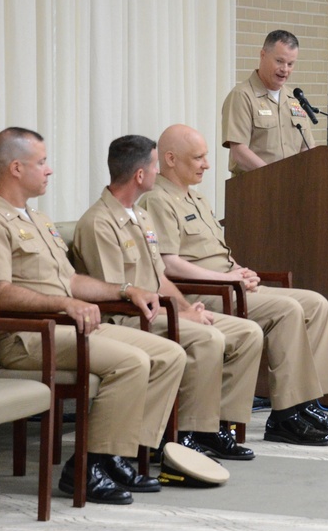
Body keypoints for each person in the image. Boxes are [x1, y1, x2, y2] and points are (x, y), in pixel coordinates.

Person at [0, 127, 187, 505]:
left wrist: (125, 290)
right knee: (132, 363)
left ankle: (119, 455)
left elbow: (71, 280)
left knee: (169, 354)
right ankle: (87, 465)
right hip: (30, 339)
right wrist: (64, 305)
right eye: (42, 162)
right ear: (16, 168)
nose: (48, 170)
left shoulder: (37, 219)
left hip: (66, 328)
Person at [140, 124, 328, 446]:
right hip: (201, 293)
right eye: (198, 158)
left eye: (205, 157)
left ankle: (307, 403)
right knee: (287, 310)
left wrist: (241, 270)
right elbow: (168, 264)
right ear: (170, 159)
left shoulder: (195, 197)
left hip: (229, 283)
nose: (206, 164)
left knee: (315, 302)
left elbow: (214, 253)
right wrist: (228, 278)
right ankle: (285, 415)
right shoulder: (158, 200)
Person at [71, 135, 263, 461]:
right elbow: (117, 294)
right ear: (140, 175)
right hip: (126, 318)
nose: (159, 172)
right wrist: (180, 317)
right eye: (155, 165)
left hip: (156, 311)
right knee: (207, 338)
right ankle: (180, 436)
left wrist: (188, 308)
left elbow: (159, 278)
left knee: (247, 332)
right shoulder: (98, 223)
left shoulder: (140, 217)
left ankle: (214, 427)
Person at [221, 29, 315, 175]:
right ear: (263, 55)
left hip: (293, 188)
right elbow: (239, 152)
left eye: (290, 64)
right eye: (279, 61)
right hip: (255, 189)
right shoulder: (242, 95)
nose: (285, 69)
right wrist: (274, 176)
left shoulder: (295, 99)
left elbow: (306, 147)